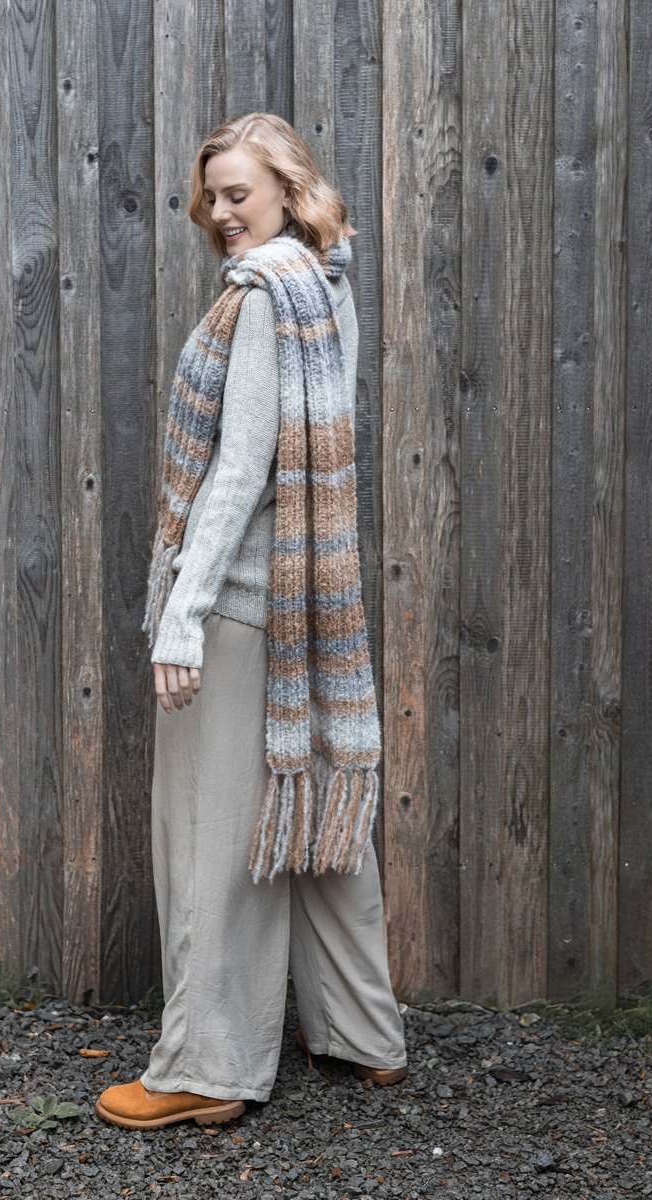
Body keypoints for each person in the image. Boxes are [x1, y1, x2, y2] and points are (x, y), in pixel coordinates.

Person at [95, 112, 407, 1131]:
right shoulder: (327, 281)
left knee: (211, 832)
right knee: (308, 811)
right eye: (212, 196)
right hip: (307, 602)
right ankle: (362, 1034)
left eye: (239, 192)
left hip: (239, 602)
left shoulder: (266, 296)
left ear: (285, 186)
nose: (221, 212)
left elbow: (239, 470)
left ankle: (208, 1067)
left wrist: (180, 618)